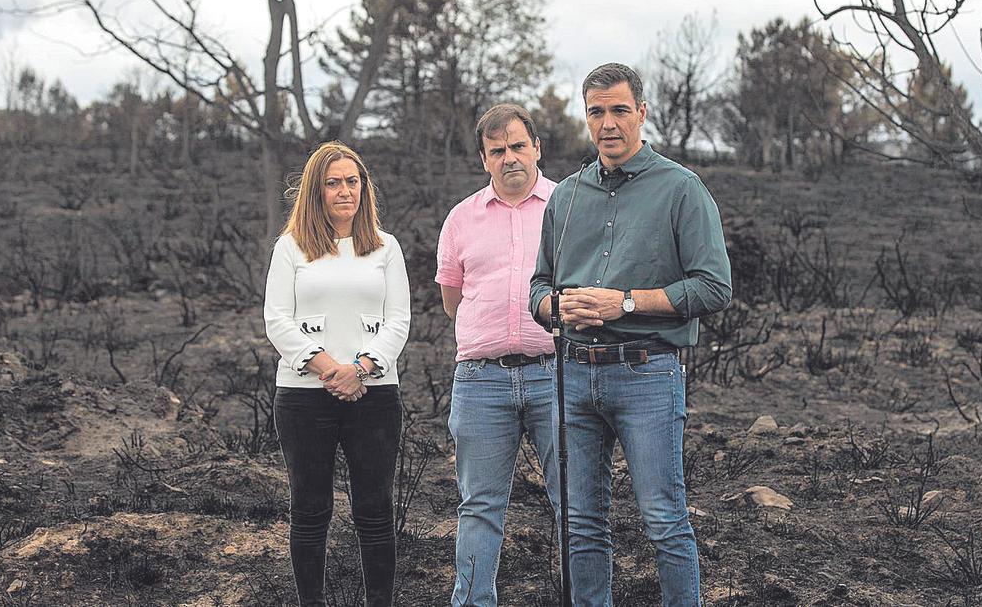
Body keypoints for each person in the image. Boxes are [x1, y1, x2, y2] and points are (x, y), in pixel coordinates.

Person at [529, 63, 732, 606]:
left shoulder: (682, 189)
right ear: (586, 117)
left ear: (642, 112)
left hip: (647, 374)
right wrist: (555, 305)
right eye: (597, 111)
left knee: (664, 519)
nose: (608, 123)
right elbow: (538, 286)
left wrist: (622, 303)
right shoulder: (566, 197)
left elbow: (714, 287)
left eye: (620, 110)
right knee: (580, 523)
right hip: (572, 377)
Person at [263, 141, 411, 607]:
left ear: (364, 188)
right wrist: (327, 367)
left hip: (374, 396)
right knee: (309, 511)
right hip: (304, 398)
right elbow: (276, 319)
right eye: (333, 183)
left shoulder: (387, 248)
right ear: (316, 191)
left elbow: (399, 321)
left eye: (352, 181)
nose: (344, 191)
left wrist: (361, 369)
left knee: (374, 511)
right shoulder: (291, 248)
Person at [436, 103, 561, 606]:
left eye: (517, 146)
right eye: (496, 151)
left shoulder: (569, 206)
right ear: (483, 159)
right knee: (479, 506)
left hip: (557, 374)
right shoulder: (460, 219)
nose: (509, 157)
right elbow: (452, 299)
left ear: (536, 148)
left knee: (576, 504)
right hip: (481, 380)